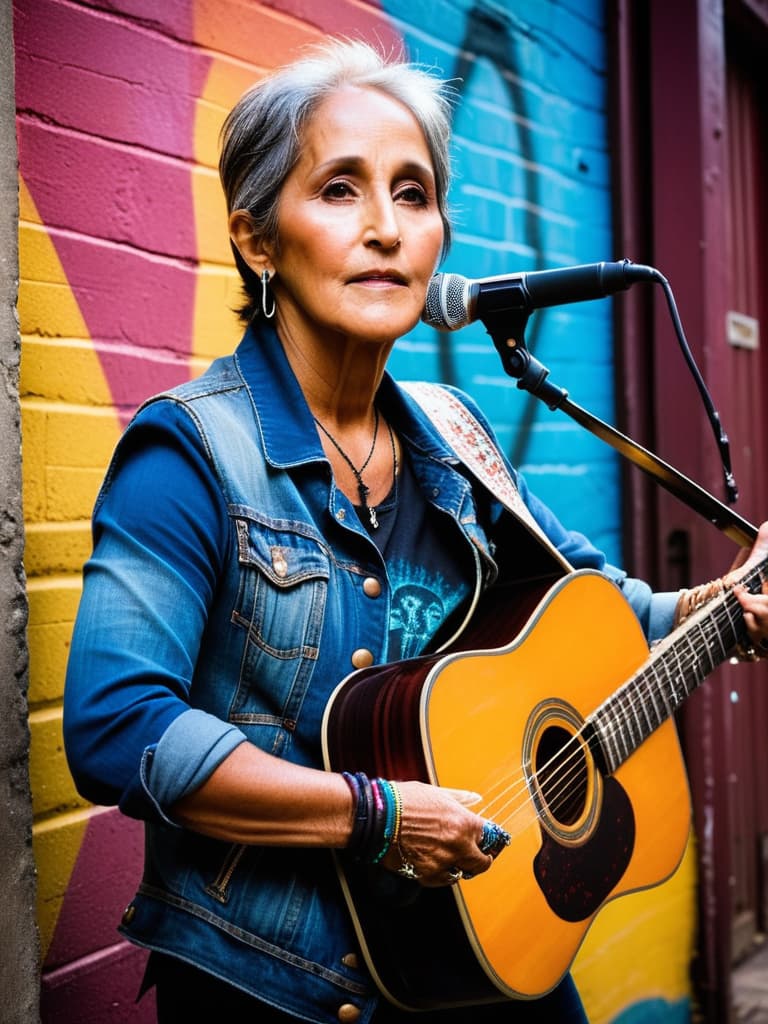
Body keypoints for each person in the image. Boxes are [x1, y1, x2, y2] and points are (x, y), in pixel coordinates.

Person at [63, 38, 768, 1024]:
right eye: (341, 190)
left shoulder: (453, 433)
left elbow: (598, 611)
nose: (386, 229)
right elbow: (115, 726)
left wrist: (725, 611)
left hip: (486, 960)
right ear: (258, 239)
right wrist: (375, 816)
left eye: (413, 193)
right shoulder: (193, 452)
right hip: (281, 986)